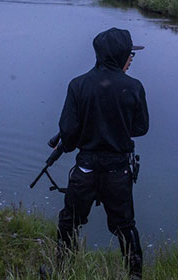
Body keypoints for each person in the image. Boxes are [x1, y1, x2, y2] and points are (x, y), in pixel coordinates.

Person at [57, 28, 149, 279]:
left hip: (85, 168)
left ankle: (61, 269)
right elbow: (141, 128)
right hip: (118, 170)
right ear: (119, 54)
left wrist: (86, 134)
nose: (131, 58)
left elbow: (67, 131)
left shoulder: (78, 85)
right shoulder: (134, 87)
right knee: (126, 226)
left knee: (69, 221)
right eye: (130, 53)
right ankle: (135, 275)